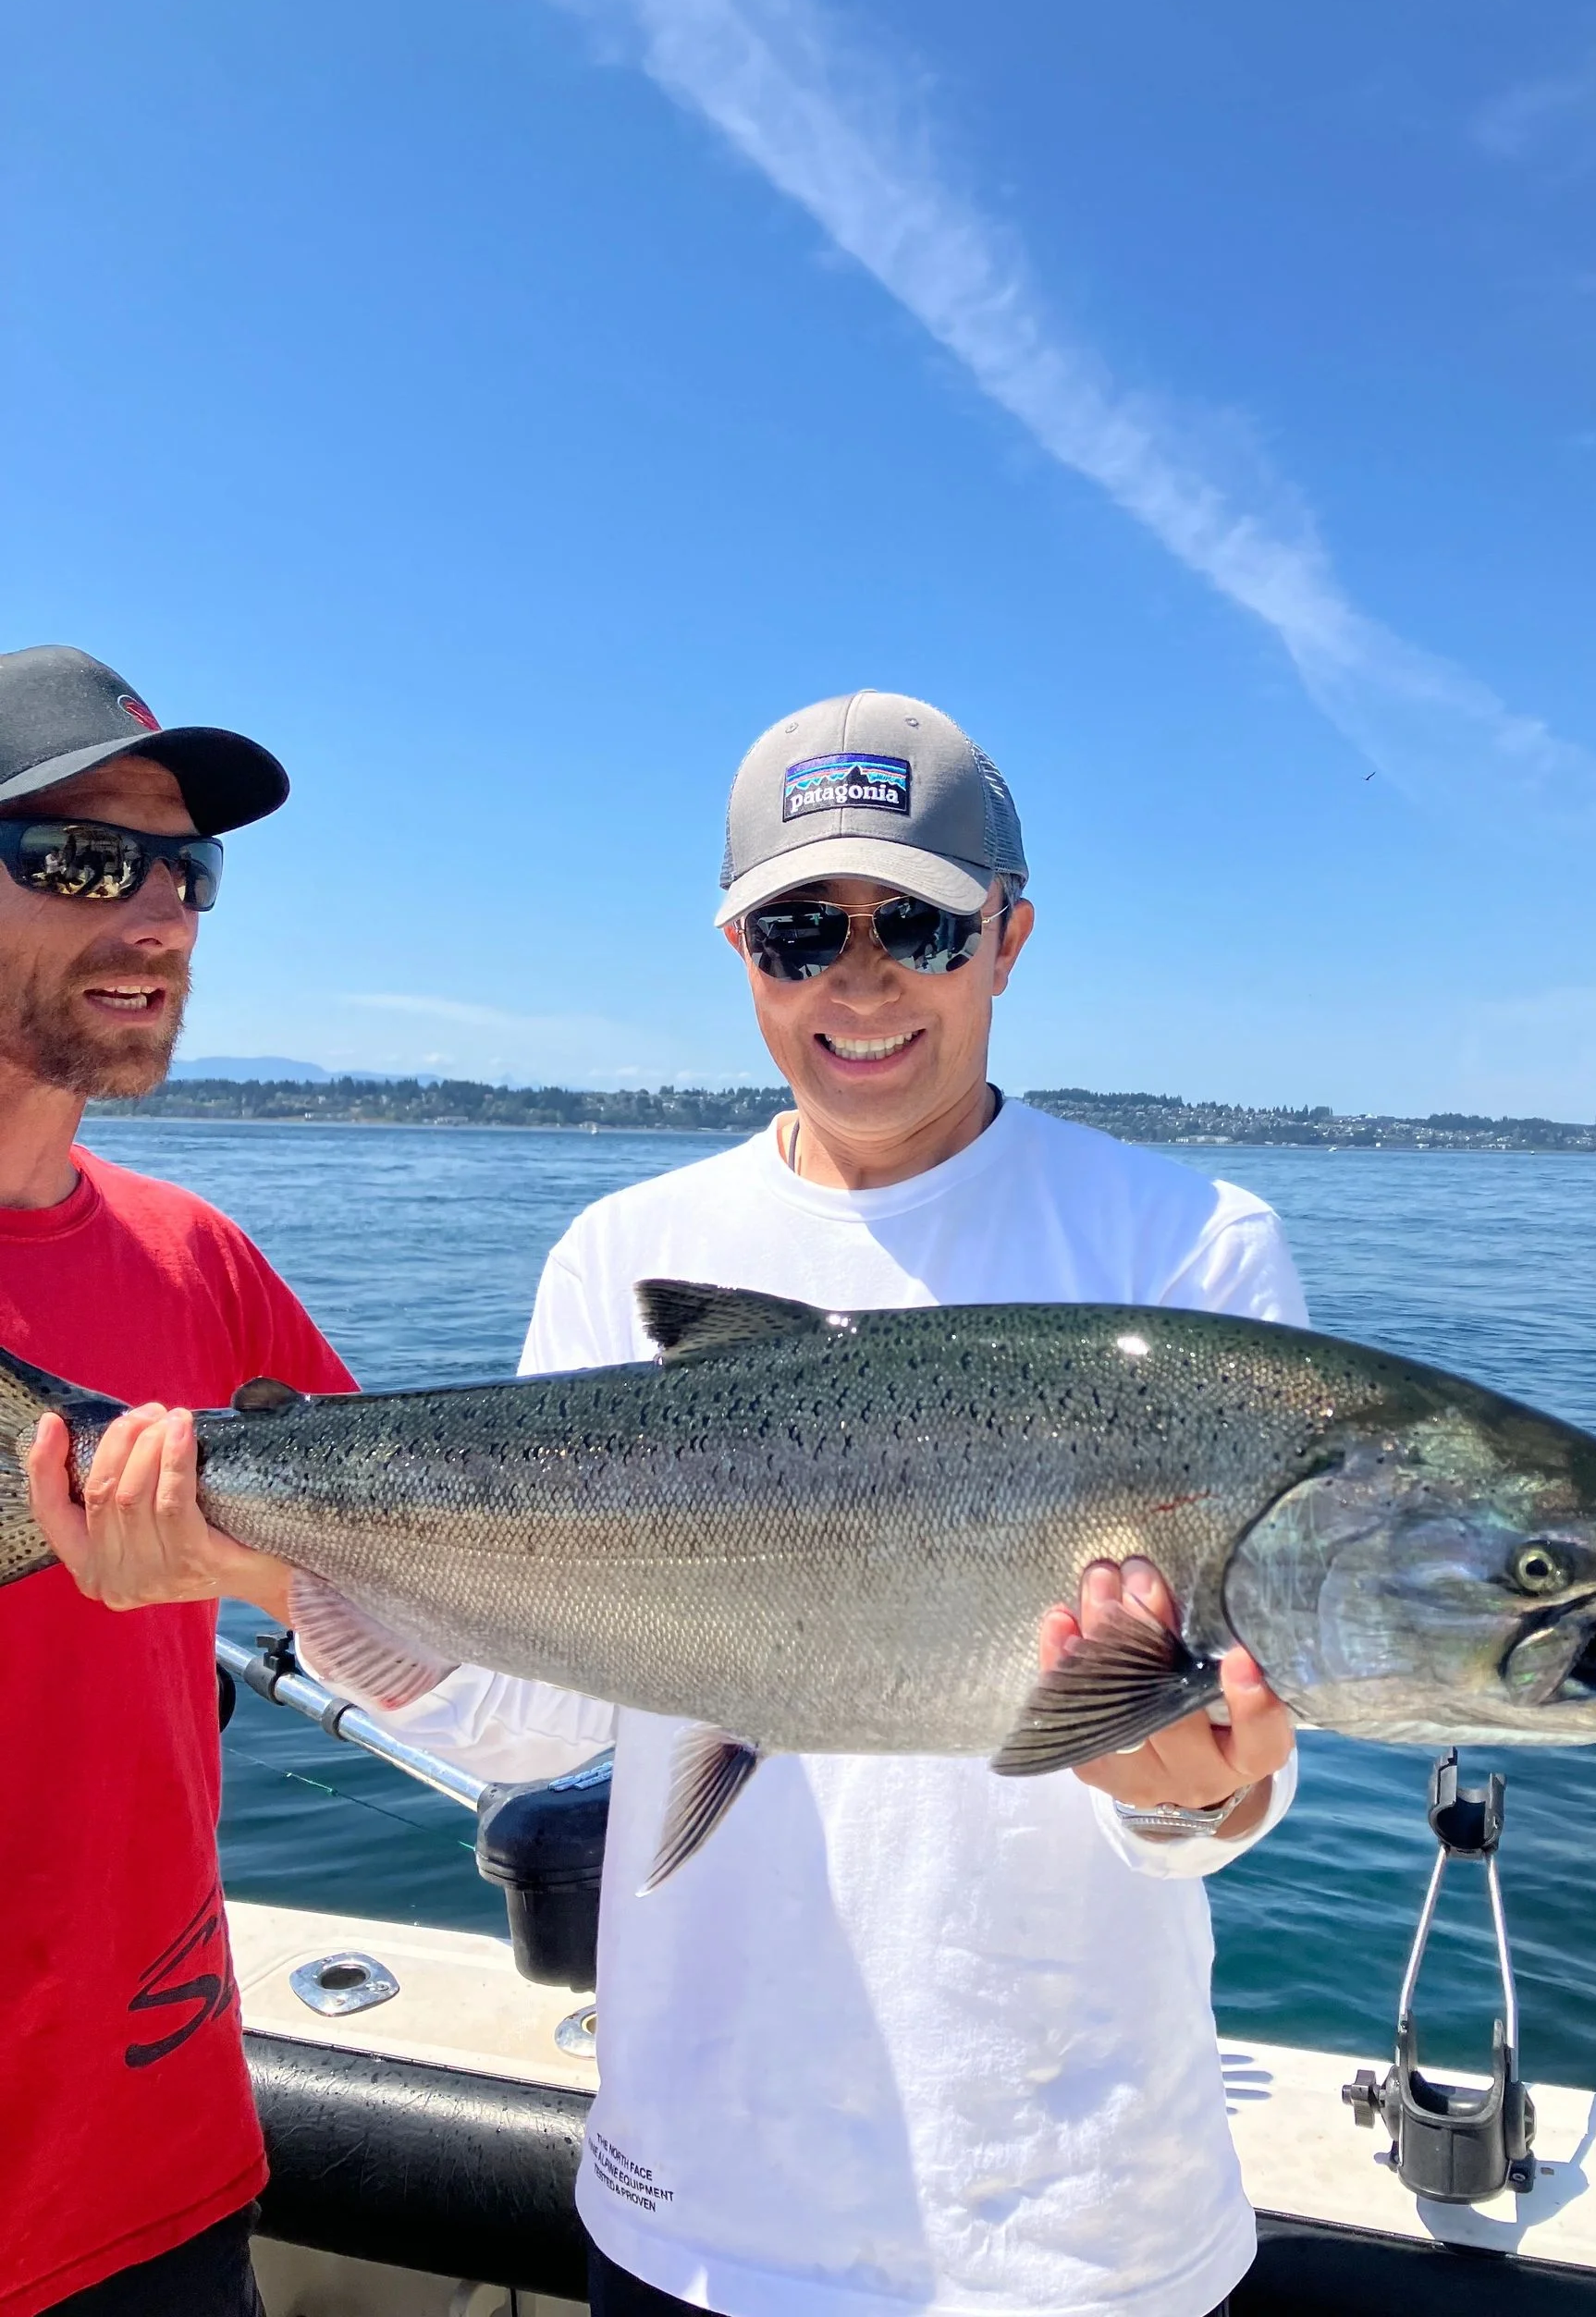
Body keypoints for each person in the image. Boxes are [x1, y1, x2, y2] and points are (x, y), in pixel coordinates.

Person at [54, 690, 1308, 2317]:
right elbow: (526, 1724)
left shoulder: (1188, 1253)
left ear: (1009, 937)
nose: (857, 977)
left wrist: (1186, 1796)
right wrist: (279, 1570)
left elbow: (1227, 1780)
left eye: (914, 924)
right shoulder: (624, 1251)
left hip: (1072, 2229)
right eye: (801, 929)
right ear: (739, 953)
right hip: (697, 2210)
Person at [1, 645, 354, 2317]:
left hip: (144, 2178)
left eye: (186, 873)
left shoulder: (202, 1267)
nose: (158, 920)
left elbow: (396, 1601)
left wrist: (235, 1562)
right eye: (79, 861)